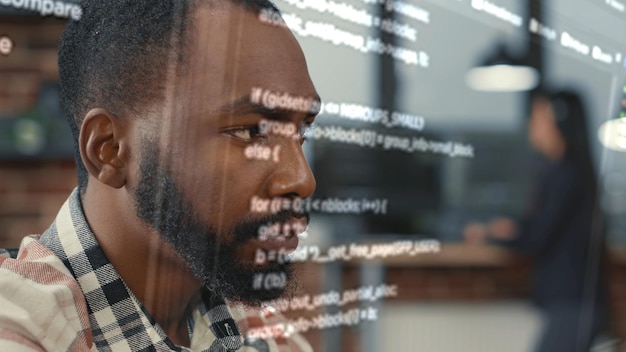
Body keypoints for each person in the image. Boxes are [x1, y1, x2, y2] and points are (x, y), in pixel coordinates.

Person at [0, 0, 320, 351]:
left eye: (302, 131)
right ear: (110, 150)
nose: (301, 179)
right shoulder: (17, 326)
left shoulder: (260, 331)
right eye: (248, 131)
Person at [466, 89, 610, 352]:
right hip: (574, 305)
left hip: (573, 305)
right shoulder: (566, 173)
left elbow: (537, 238)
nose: (532, 126)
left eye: (537, 117)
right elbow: (542, 228)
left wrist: (494, 235)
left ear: (558, 123)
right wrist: (510, 229)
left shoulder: (566, 175)